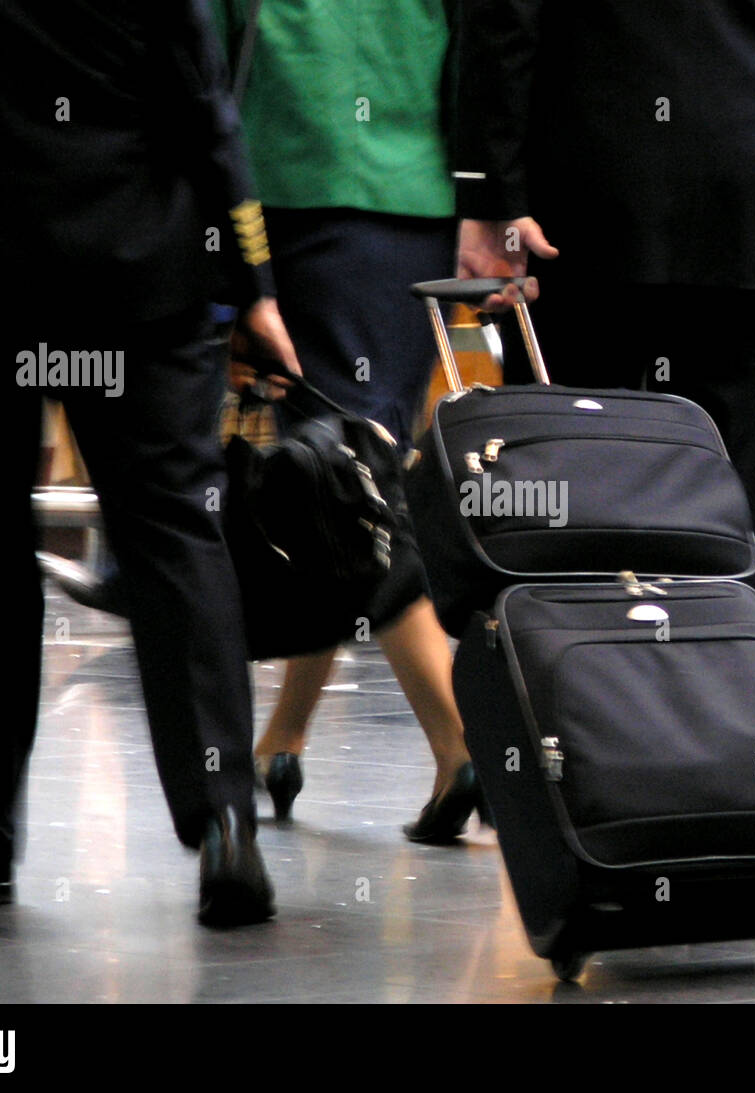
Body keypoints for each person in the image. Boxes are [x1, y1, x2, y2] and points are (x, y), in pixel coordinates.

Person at [0, 0, 301, 925]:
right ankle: (224, 818)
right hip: (138, 275)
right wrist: (254, 285)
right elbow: (203, 108)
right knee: (173, 529)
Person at [450, 0, 755, 620]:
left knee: (572, 492)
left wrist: (490, 195)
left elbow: (503, 25)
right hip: (751, 191)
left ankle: (591, 698)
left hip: (586, 201)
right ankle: (735, 697)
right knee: (736, 499)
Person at [211, 0, 480, 841]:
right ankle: (283, 737)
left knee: (341, 479)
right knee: (338, 474)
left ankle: (459, 743)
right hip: (410, 180)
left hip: (286, 168)